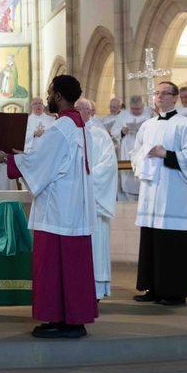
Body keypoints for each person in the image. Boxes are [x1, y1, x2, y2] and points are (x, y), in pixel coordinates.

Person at [0, 75, 97, 338]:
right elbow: (49, 160)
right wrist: (24, 157)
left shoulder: (60, 129)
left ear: (58, 95)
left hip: (57, 211)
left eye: (50, 92)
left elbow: (41, 165)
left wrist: (6, 159)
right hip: (75, 210)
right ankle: (73, 319)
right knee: (74, 268)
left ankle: (60, 320)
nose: (48, 97)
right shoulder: (81, 128)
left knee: (53, 267)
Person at [131, 82, 187, 306]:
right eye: (157, 93)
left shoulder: (186, 125)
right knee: (151, 239)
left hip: (173, 193)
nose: (159, 97)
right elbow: (135, 153)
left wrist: (166, 154)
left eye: (164, 93)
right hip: (151, 191)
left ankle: (174, 292)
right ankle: (152, 288)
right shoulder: (147, 125)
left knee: (171, 242)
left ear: (175, 97)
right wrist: (144, 156)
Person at [76, 98, 117, 300]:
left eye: (78, 109)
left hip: (94, 200)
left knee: (96, 245)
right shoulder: (70, 133)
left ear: (89, 112)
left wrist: (84, 180)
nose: (75, 113)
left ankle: (96, 289)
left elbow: (108, 166)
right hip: (75, 200)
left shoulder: (100, 135)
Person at [113, 95, 151, 201]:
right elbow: (114, 131)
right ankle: (128, 199)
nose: (136, 111)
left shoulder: (150, 113)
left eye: (138, 109)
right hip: (127, 149)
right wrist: (122, 132)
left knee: (143, 175)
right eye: (133, 109)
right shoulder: (122, 115)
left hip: (145, 147)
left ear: (143, 106)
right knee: (128, 176)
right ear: (129, 106)